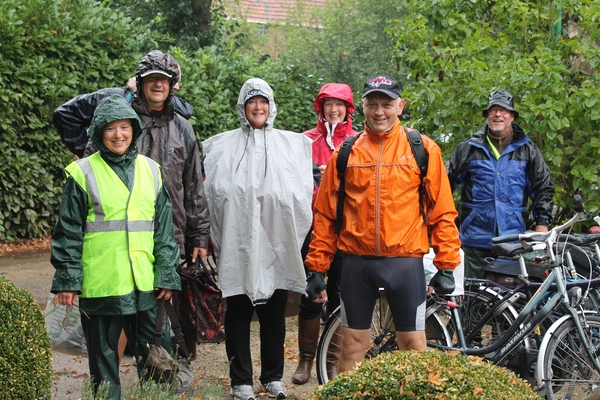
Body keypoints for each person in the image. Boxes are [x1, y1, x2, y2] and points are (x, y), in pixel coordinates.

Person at [54, 50, 210, 359]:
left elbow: (193, 186)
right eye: (151, 79)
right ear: (139, 83)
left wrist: (199, 235)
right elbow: (89, 175)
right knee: (119, 321)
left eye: (163, 80)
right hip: (118, 241)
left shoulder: (184, 129)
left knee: (161, 322)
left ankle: (161, 381)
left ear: (173, 85)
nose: (157, 85)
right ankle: (113, 382)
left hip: (170, 236)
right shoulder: (118, 121)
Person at [304, 75, 461, 373]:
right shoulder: (346, 152)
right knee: (350, 347)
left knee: (414, 348)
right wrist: (316, 267)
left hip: (404, 263)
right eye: (372, 104)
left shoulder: (422, 149)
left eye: (386, 104)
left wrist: (447, 265)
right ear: (362, 107)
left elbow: (442, 211)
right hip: (356, 263)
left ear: (400, 106)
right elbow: (325, 215)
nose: (379, 112)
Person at [50, 95, 181, 399]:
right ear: (98, 132)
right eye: (110, 129)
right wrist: (68, 281)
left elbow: (163, 230)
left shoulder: (151, 170)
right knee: (103, 364)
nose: (118, 135)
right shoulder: (82, 173)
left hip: (145, 282)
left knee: (156, 359)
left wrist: (166, 274)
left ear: (133, 130)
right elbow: (67, 231)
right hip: (102, 284)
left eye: (124, 127)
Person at [202, 78, 313, 400]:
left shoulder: (292, 146)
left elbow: (299, 194)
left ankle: (273, 377)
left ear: (271, 106)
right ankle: (241, 381)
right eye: (252, 101)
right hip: (239, 246)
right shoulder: (223, 147)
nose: (258, 107)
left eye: (263, 101)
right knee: (237, 310)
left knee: (273, 314)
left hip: (277, 243)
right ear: (243, 106)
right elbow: (215, 194)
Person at [446, 89, 554, 278]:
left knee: (510, 300)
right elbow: (444, 185)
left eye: (503, 110)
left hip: (512, 241)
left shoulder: (528, 150)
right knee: (475, 299)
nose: (498, 114)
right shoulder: (468, 148)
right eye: (493, 110)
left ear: (512, 116)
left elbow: (543, 188)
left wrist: (542, 226)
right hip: (475, 240)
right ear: (487, 115)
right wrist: (445, 225)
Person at [292, 83, 358, 385]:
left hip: (348, 229)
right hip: (312, 226)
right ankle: (305, 361)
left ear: (348, 108)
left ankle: (330, 361)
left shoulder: (358, 141)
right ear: (321, 107)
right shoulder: (305, 140)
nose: (334, 109)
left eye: (339, 104)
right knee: (312, 296)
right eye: (328, 104)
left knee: (341, 297)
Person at [54, 60, 193, 160]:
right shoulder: (112, 97)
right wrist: (85, 151)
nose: (177, 87)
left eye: (169, 81)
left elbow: (186, 111)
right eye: (175, 82)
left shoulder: (174, 120)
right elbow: (65, 114)